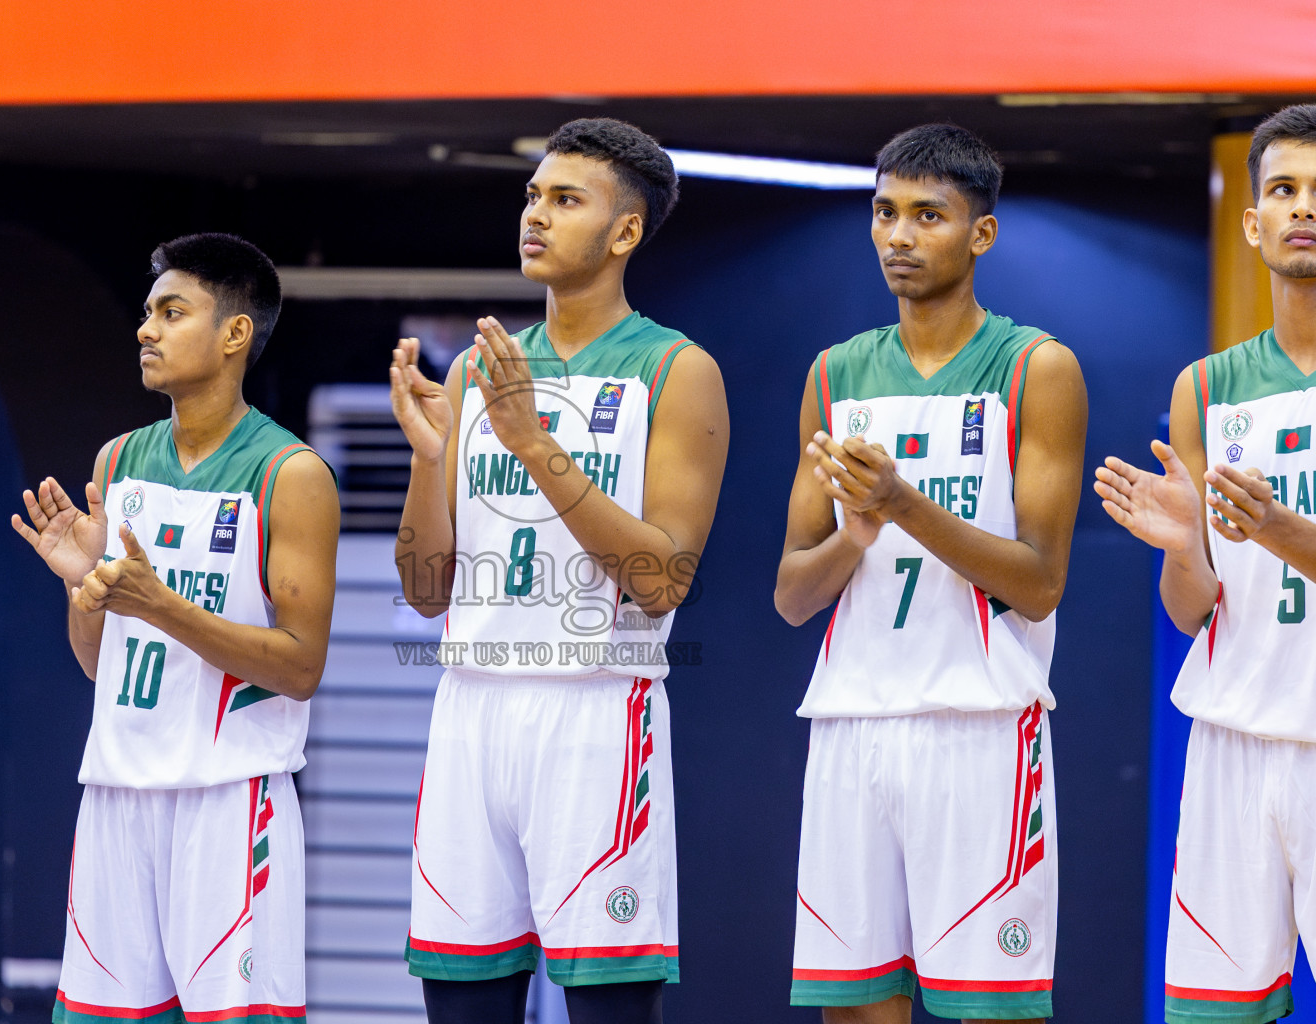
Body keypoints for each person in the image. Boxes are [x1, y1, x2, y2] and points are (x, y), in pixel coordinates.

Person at [389, 117, 728, 1024]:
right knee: (461, 1005)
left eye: (565, 199)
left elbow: (664, 580)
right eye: (533, 195)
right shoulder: (471, 374)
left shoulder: (677, 369)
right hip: (468, 709)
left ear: (625, 233)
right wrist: (430, 460)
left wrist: (534, 445)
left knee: (608, 1010)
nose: (535, 214)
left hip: (596, 711)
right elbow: (425, 591)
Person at [775, 124, 1087, 1023]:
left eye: (927, 215)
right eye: (883, 214)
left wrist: (905, 504)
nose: (899, 236)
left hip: (980, 729)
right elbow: (793, 596)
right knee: (855, 1009)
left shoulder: (1038, 367)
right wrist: (855, 535)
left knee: (989, 1011)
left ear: (979, 234)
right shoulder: (835, 374)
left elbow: (1039, 583)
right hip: (851, 725)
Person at [12, 233, 338, 1024]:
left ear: (234, 333)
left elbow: (299, 668)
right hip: (118, 793)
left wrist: (165, 607)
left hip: (229, 802)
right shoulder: (117, 461)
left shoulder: (290, 475)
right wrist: (81, 589)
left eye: (171, 311)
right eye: (147, 312)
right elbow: (99, 665)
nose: (144, 329)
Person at [1095, 104, 1316, 1024]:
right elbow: (1192, 611)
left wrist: (1277, 528)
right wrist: (1185, 549)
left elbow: (1272, 538)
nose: (1304, 209)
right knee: (1214, 1013)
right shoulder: (1204, 387)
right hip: (1231, 738)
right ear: (1252, 220)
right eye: (1284, 190)